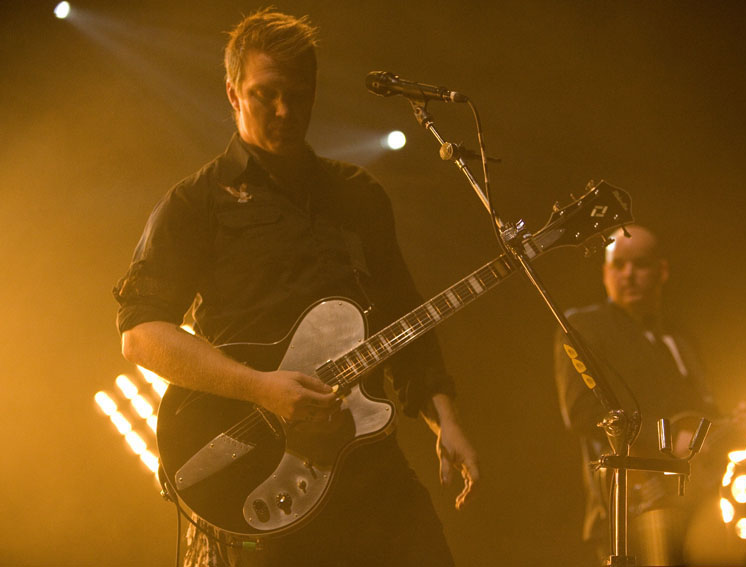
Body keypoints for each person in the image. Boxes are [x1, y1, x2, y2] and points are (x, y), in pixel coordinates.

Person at [114, 8, 478, 566]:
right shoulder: (195, 203)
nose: (285, 111)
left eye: (299, 94)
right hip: (259, 470)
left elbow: (404, 317)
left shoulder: (357, 195)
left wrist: (444, 420)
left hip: (366, 463)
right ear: (233, 93)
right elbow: (141, 335)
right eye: (266, 94)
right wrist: (260, 388)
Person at [554, 225, 716, 566]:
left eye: (640, 264)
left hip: (698, 506)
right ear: (605, 273)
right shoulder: (582, 327)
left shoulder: (678, 336)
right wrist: (668, 439)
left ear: (662, 271)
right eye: (618, 265)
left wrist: (728, 424)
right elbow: (583, 412)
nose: (628, 275)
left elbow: (703, 405)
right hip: (628, 510)